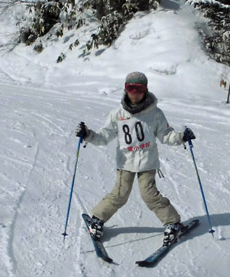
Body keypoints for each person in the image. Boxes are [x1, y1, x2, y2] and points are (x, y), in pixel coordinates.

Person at [76, 71, 195, 246]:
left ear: (145, 90)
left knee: (149, 195)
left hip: (147, 162)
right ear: (125, 89)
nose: (135, 93)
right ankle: (97, 220)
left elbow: (165, 135)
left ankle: (172, 223)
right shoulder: (117, 114)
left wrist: (181, 137)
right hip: (125, 163)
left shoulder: (155, 113)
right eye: (131, 88)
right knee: (119, 195)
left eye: (139, 89)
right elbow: (104, 136)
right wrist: (88, 135)